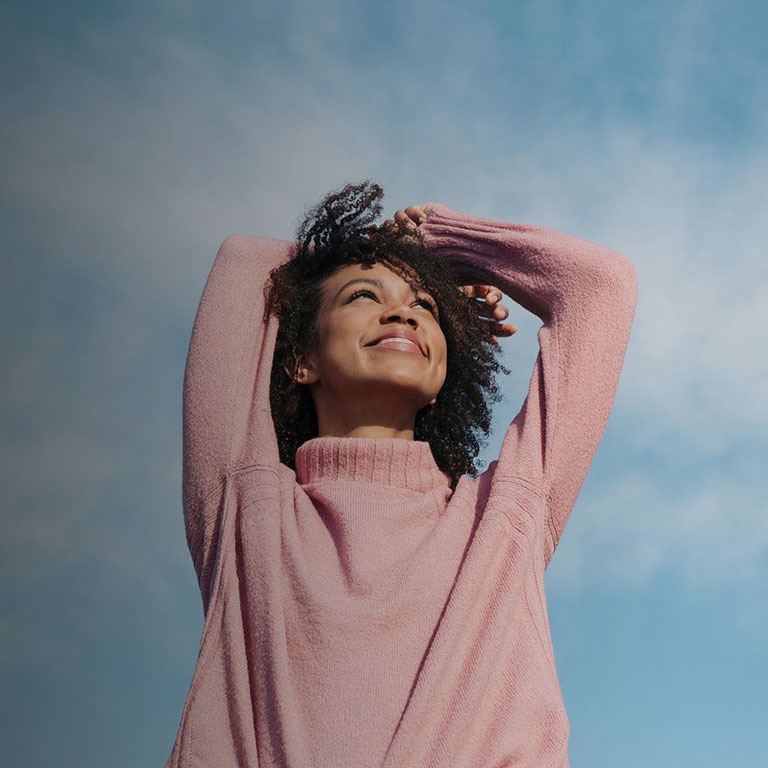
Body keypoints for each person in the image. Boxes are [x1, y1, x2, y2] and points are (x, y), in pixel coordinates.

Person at [165, 180, 638, 768]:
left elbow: (600, 284)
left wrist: (442, 240)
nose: (401, 312)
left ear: (447, 359)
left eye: (426, 307)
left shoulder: (503, 517)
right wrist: (394, 254)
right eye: (364, 295)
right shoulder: (245, 504)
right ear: (300, 359)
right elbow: (246, 261)